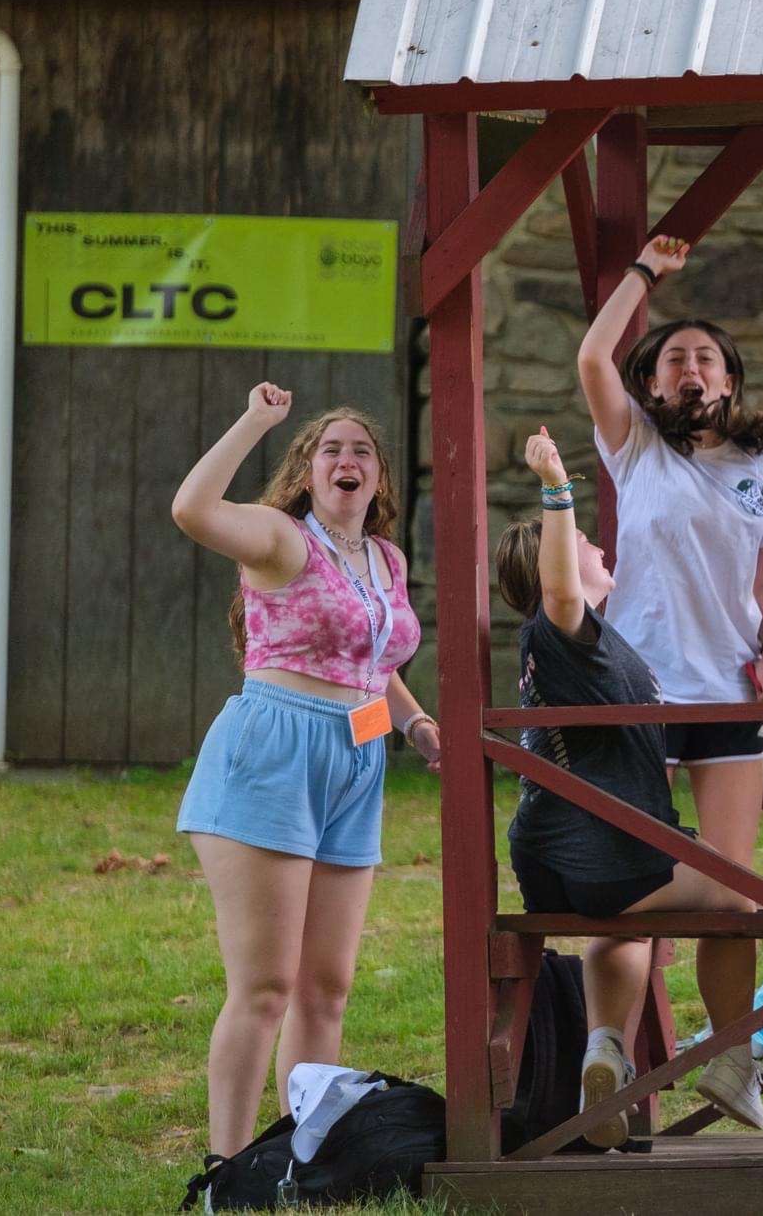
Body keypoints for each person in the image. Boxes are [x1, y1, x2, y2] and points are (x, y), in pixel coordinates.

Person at [171, 383, 440, 1162]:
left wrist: (415, 722)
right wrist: (255, 419)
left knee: (327, 986)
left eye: (362, 450)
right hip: (276, 751)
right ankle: (224, 1168)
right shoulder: (282, 539)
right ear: (308, 471)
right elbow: (192, 508)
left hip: (356, 761)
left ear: (379, 477)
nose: (347, 459)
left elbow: (374, 659)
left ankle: (300, 1155)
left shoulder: (384, 559)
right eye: (331, 449)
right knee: (265, 987)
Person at [575, 234, 763, 1103]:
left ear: (730, 381)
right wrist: (639, 275)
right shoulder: (635, 445)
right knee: (626, 883)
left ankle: (731, 1056)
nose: (690, 367)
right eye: (673, 357)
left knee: (732, 891)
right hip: (636, 691)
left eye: (705, 356)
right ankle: (606, 1046)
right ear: (652, 384)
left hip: (726, 694)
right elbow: (592, 353)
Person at [496, 426, 763, 1146]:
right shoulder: (560, 630)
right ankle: (733, 1056)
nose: (596, 548)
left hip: (567, 860)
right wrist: (556, 484)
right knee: (736, 895)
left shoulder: (580, 646)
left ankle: (606, 1052)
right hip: (601, 850)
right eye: (583, 542)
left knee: (630, 916)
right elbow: (559, 583)